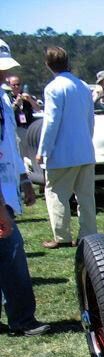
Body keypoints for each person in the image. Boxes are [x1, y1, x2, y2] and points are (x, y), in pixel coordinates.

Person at [0, 40, 49, 336]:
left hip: (7, 186)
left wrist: (22, 180)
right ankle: (21, 318)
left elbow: (10, 144)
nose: (6, 76)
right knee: (12, 254)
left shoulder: (5, 100)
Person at [36, 46, 96, 250]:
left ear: (48, 65)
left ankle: (62, 236)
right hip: (85, 150)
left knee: (56, 193)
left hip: (62, 153)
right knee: (86, 196)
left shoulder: (53, 88)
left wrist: (43, 150)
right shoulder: (83, 86)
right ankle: (88, 233)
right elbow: (90, 120)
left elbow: (51, 122)